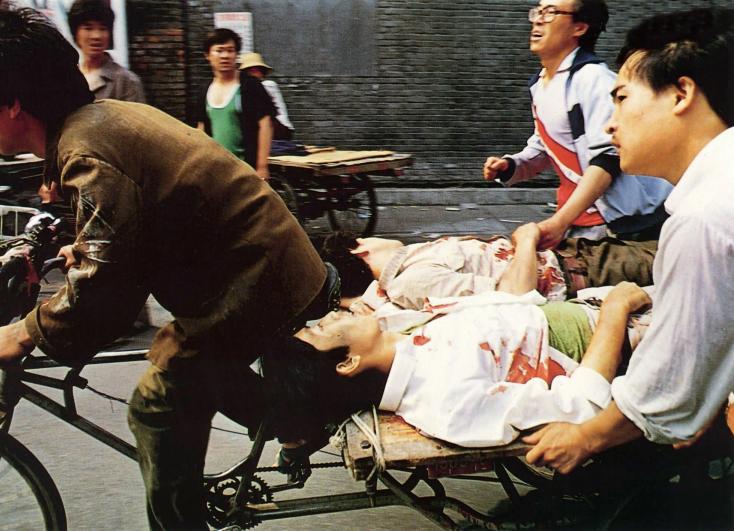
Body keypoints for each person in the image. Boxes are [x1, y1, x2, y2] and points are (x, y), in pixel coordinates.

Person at [0, 7, 331, 530]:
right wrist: (77, 250)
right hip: (253, 268)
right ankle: (296, 415)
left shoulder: (88, 150)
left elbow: (108, 286)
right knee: (185, 355)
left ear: (11, 105)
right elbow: (125, 234)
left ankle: (285, 426)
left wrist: (29, 331)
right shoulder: (97, 124)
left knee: (157, 400)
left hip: (259, 277)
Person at [524, 7, 734, 474]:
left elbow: (670, 384)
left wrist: (587, 436)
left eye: (622, 98)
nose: (610, 124)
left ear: (681, 94)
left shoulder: (705, 216)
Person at [264, 282, 652, 449]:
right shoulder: (447, 402)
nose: (327, 319)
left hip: (599, 306)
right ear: (348, 363)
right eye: (317, 332)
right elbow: (584, 404)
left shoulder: (403, 336)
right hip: (633, 339)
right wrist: (615, 312)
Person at [482, 0, 671, 249]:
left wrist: (560, 221)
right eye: (538, 11)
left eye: (550, 12)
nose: (538, 19)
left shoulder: (594, 80)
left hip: (623, 222)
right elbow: (545, 147)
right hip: (581, 220)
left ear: (579, 28)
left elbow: (609, 157)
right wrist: (511, 165)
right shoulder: (541, 85)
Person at [322, 225, 656, 312]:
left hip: (581, 258)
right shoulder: (411, 283)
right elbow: (513, 296)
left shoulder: (412, 262)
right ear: (360, 248)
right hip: (589, 276)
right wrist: (525, 240)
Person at [195, 28, 275, 180]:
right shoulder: (204, 90)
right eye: (219, 50)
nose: (225, 55)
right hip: (216, 170)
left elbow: (266, 124)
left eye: (230, 50)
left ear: (236, 55)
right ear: (207, 56)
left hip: (246, 169)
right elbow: (201, 130)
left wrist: (262, 167)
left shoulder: (251, 86)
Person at [67, 0, 145, 102]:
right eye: (88, 28)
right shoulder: (68, 77)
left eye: (102, 28)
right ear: (75, 33)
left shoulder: (127, 82)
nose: (96, 36)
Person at [239, 51, 295, 141]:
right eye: (249, 71)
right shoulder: (246, 88)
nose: (252, 74)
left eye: (255, 71)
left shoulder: (268, 85)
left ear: (262, 72)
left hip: (280, 128)